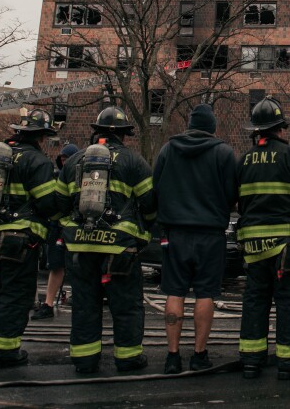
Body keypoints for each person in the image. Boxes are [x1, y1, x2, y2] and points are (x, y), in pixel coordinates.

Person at [55, 106, 156, 374]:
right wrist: (142, 233)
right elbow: (150, 205)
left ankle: (85, 361)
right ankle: (128, 358)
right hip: (120, 248)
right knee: (126, 305)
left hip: (79, 247)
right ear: (123, 135)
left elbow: (59, 205)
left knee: (85, 304)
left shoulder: (74, 161)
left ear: (96, 131)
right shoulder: (134, 162)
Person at [0, 109, 60, 367]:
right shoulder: (38, 161)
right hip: (20, 239)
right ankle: (4, 351)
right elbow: (48, 202)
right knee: (15, 295)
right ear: (41, 137)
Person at [237, 97, 290, 380]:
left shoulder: (244, 160)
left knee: (255, 302)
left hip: (254, 246)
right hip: (289, 246)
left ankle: (251, 361)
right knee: (289, 302)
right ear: (280, 129)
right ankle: (288, 364)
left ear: (256, 130)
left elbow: (235, 200)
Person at [153, 104, 238, 375]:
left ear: (189, 125)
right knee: (206, 294)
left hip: (175, 232)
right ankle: (199, 354)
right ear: (212, 127)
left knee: (174, 292)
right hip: (210, 234)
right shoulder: (224, 153)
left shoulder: (168, 149)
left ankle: (172, 356)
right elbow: (231, 194)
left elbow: (155, 187)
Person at [33, 142, 79, 320]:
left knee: (78, 267)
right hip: (58, 227)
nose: (64, 162)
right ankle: (48, 304)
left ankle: (79, 299)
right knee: (56, 266)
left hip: (73, 228)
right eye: (62, 158)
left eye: (68, 158)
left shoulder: (78, 178)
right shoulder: (55, 177)